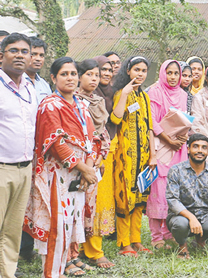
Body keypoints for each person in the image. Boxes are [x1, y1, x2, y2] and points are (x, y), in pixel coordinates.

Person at [24, 57, 100, 278]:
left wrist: (88, 167)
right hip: (58, 175)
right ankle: (52, 273)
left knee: (72, 223)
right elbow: (55, 142)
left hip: (80, 174)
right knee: (58, 224)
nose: (70, 78)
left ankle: (67, 263)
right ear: (53, 78)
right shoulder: (50, 105)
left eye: (73, 74)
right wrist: (83, 168)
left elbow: (92, 139)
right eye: (64, 74)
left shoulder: (82, 105)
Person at [109, 56, 156, 256]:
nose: (140, 74)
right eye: (137, 70)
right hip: (124, 156)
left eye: (144, 71)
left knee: (140, 199)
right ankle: (124, 243)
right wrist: (125, 93)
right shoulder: (121, 92)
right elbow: (115, 118)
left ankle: (136, 240)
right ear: (128, 71)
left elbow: (150, 127)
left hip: (143, 156)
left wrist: (153, 155)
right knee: (125, 199)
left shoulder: (145, 96)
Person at [0, 33, 36, 278]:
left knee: (12, 229)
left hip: (25, 169)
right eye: (14, 50)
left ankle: (7, 272)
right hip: (2, 168)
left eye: (25, 51)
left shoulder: (30, 88)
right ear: (2, 55)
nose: (20, 55)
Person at [74, 59, 116, 269]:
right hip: (76, 163)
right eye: (89, 74)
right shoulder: (72, 100)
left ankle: (93, 250)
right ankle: (74, 251)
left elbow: (104, 133)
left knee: (93, 207)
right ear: (79, 76)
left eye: (96, 75)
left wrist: (102, 156)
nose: (94, 79)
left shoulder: (98, 101)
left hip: (97, 162)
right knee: (75, 207)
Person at [167, 133, 208, 259]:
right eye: (195, 146)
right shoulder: (176, 170)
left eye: (203, 147)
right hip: (181, 215)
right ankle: (182, 246)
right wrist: (191, 218)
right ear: (188, 149)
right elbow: (172, 200)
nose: (199, 151)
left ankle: (200, 239)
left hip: (205, 215)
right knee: (180, 224)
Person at [146, 60, 189, 250]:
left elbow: (183, 120)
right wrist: (168, 140)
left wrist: (183, 135)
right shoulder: (154, 91)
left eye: (176, 73)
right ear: (163, 73)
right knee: (158, 191)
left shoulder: (182, 94)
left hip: (178, 148)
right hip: (160, 147)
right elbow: (152, 121)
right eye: (169, 73)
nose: (173, 77)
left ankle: (169, 233)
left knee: (174, 191)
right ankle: (156, 237)